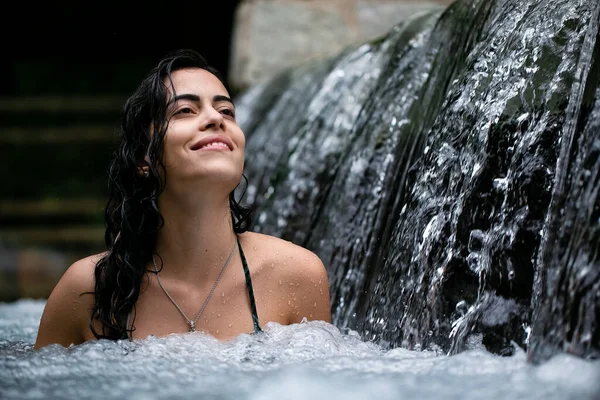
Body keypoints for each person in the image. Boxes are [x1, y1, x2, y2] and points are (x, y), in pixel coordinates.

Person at [34, 49, 331, 349]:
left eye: (226, 111)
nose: (216, 118)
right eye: (185, 110)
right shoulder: (87, 291)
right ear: (143, 157)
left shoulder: (298, 276)